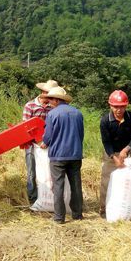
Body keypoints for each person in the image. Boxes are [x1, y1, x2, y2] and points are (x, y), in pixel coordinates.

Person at [41, 86, 84, 224]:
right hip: (75, 155)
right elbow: (81, 134)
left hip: (58, 156)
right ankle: (77, 215)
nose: (49, 102)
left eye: (51, 99)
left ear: (56, 100)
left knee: (58, 186)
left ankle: (59, 218)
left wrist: (45, 143)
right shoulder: (78, 113)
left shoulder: (52, 114)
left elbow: (48, 135)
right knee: (76, 185)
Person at [99, 90, 131, 218]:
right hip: (111, 153)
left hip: (129, 153)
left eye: (122, 106)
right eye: (116, 106)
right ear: (110, 106)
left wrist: (126, 149)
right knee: (107, 180)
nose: (119, 110)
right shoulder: (105, 121)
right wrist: (114, 157)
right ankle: (104, 208)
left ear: (126, 106)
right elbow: (106, 142)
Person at [22, 79, 57, 204]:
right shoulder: (30, 105)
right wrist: (37, 142)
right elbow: (25, 128)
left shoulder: (53, 108)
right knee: (32, 171)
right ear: (42, 92)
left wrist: (46, 142)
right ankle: (33, 198)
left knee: (48, 171)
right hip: (32, 144)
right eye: (49, 94)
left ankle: (48, 197)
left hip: (48, 144)